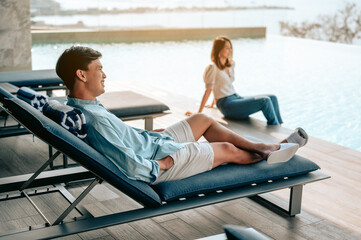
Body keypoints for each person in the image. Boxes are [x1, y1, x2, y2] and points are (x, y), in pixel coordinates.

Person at [55, 46, 306, 185]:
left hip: (153, 144)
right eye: (99, 69)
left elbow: (123, 138)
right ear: (82, 75)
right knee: (227, 148)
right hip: (159, 162)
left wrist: (149, 135)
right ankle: (270, 153)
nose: (104, 74)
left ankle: (263, 147)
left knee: (203, 119)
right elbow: (129, 165)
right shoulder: (95, 119)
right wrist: (163, 163)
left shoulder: (89, 106)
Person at [186, 36, 283, 125]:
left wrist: (212, 104)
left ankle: (280, 127)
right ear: (219, 50)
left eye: (231, 47)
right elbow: (209, 89)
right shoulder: (213, 67)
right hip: (227, 105)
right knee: (264, 101)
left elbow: (219, 85)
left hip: (236, 97)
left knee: (272, 98)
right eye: (227, 48)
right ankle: (276, 128)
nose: (230, 50)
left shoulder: (231, 65)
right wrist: (198, 113)